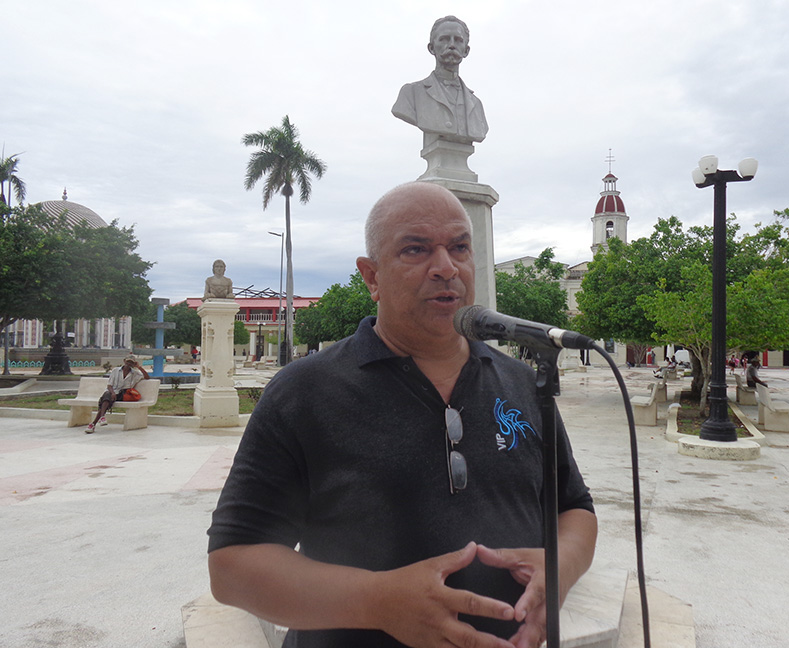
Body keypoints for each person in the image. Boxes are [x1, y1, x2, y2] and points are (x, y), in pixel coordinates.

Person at [207, 182, 597, 648]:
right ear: (371, 277)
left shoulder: (520, 382)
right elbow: (232, 565)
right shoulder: (304, 392)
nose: (446, 268)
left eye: (459, 248)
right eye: (416, 249)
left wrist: (559, 570)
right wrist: (376, 601)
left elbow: (573, 507)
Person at [392, 16, 489, 144]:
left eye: (458, 40)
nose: (452, 45)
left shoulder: (476, 104)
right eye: (444, 39)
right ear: (431, 48)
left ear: (466, 51)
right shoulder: (411, 93)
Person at [87, 354, 149, 433]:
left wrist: (139, 367)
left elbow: (147, 377)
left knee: (106, 400)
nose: (129, 364)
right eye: (128, 361)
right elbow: (109, 385)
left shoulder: (135, 373)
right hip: (112, 392)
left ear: (133, 364)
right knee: (107, 397)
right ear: (124, 361)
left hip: (123, 394)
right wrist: (113, 393)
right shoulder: (115, 370)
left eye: (131, 362)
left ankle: (94, 423)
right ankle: (100, 418)